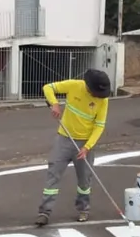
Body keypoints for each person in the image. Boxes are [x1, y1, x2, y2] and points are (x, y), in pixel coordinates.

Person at [35, 69, 111, 226]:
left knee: (85, 179)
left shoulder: (103, 100)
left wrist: (88, 146)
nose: (97, 95)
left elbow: (99, 125)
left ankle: (83, 209)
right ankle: (44, 212)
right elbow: (48, 87)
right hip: (64, 138)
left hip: (85, 144)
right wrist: (54, 104)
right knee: (53, 174)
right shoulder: (74, 86)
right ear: (88, 86)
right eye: (95, 92)